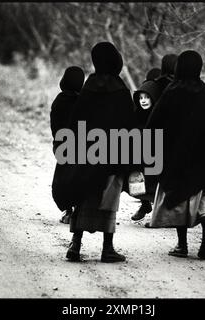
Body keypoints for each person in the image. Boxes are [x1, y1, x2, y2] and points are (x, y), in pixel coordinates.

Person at [145, 50, 205, 259]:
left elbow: (153, 123)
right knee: (201, 193)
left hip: (175, 157)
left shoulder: (171, 91)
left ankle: (182, 245)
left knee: (179, 197)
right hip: (201, 157)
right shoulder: (204, 93)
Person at [66, 42, 137, 263]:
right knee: (109, 201)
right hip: (113, 155)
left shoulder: (88, 87)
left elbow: (75, 121)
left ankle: (76, 245)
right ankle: (107, 248)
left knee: (84, 197)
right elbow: (129, 125)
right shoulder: (120, 89)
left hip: (88, 154)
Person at [50, 66, 85, 224]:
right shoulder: (83, 101)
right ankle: (77, 210)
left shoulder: (59, 100)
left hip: (64, 146)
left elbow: (55, 126)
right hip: (82, 147)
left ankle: (67, 210)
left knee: (62, 180)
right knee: (78, 179)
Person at [129, 80, 161, 221]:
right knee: (136, 181)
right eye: (141, 98)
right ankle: (145, 204)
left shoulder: (159, 114)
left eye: (147, 97)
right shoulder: (136, 114)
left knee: (155, 185)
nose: (143, 101)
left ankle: (156, 214)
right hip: (140, 155)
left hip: (156, 156)